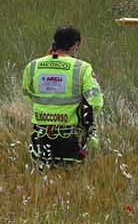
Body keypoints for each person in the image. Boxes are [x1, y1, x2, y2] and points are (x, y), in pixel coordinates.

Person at [24, 26, 104, 165]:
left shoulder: (33, 66)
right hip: (70, 137)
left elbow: (27, 93)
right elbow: (95, 102)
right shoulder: (82, 68)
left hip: (40, 136)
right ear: (77, 44)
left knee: (43, 177)